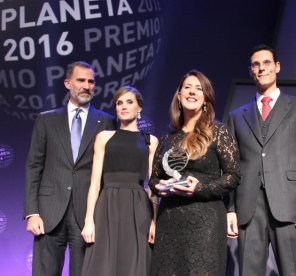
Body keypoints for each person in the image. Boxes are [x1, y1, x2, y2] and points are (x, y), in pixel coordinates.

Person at [226, 44, 296, 276]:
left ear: (277, 67)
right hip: (248, 207)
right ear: (251, 71)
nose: (261, 68)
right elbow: (231, 167)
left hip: (289, 205)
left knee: (293, 270)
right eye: (256, 65)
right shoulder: (236, 116)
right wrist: (230, 208)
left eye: (266, 63)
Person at [24, 61, 116, 276]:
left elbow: (108, 172)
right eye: (81, 80)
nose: (87, 86)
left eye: (91, 81)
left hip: (86, 215)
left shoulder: (106, 122)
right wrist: (32, 212)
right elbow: (33, 166)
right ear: (67, 83)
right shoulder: (46, 120)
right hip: (48, 213)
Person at [149, 69, 240, 275]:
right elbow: (154, 178)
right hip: (170, 220)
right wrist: (160, 187)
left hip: (205, 221)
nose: (192, 92)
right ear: (179, 97)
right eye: (187, 88)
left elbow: (233, 176)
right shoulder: (166, 139)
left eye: (198, 89)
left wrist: (201, 188)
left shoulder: (218, 132)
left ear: (205, 99)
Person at [80, 85, 158, 276]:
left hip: (138, 207)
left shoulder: (151, 141)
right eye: (119, 103)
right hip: (107, 205)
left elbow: (153, 186)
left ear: (139, 108)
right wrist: (89, 220)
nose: (123, 106)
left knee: (133, 262)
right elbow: (95, 182)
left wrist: (154, 221)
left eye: (129, 102)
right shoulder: (104, 137)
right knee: (102, 263)